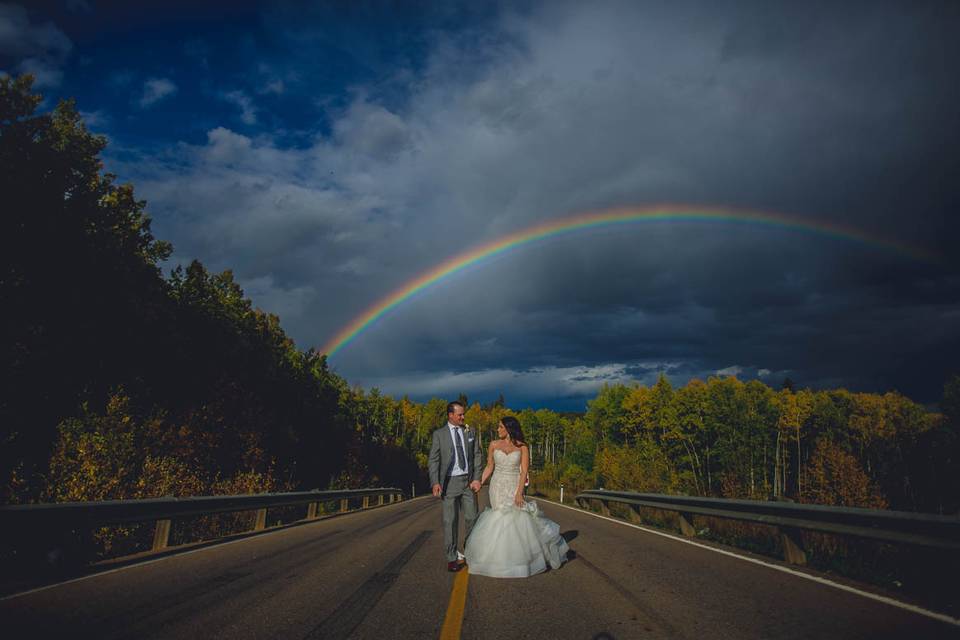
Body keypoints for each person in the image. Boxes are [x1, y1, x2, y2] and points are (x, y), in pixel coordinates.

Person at [464, 415, 569, 578]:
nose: (498, 429)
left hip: (514, 485)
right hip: (497, 486)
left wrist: (519, 492)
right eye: (498, 427)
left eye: (500, 427)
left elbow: (524, 471)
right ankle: (498, 559)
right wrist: (479, 481)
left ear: (508, 428)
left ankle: (517, 559)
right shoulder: (493, 445)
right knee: (499, 517)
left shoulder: (522, 447)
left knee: (515, 519)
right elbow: (489, 466)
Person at [429, 400, 483, 572]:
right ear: (450, 415)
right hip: (449, 483)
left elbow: (476, 455)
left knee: (472, 518)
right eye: (460, 414)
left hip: (468, 482)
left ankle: (471, 551)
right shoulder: (439, 434)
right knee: (450, 521)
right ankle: (452, 558)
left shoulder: (470, 431)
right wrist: (435, 482)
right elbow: (434, 459)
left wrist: (477, 478)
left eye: (463, 414)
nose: (463, 417)